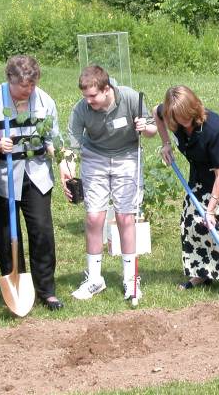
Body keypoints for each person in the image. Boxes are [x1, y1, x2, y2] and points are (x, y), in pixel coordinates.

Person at [60, 66, 156, 301]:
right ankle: (94, 279)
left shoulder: (131, 97)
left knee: (126, 217)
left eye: (92, 96)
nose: (88, 101)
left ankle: (130, 278)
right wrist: (67, 166)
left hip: (127, 157)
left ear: (107, 89)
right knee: (94, 217)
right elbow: (71, 145)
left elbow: (153, 129)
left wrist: (146, 128)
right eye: (85, 96)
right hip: (95, 158)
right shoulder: (82, 108)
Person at [0, 55, 64, 311]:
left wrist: (59, 157)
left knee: (42, 232)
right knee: (6, 234)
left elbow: (54, 139)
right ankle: (16, 284)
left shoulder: (44, 100)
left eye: (32, 85)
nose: (28, 91)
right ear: (10, 80)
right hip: (2, 178)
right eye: (22, 87)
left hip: (36, 176)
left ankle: (46, 290)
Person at [155, 86, 219, 293]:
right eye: (178, 117)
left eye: (186, 116)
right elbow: (157, 112)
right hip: (201, 175)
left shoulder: (214, 128)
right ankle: (201, 273)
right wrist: (165, 144)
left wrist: (210, 210)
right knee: (191, 223)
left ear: (194, 107)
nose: (183, 121)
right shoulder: (171, 115)